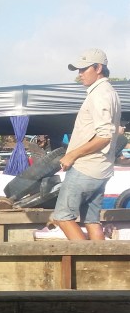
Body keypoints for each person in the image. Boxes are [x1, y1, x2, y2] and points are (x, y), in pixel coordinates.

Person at [52, 48, 121, 240]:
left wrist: (72, 155)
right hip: (101, 168)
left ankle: (84, 258)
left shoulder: (99, 94)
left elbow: (104, 136)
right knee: (91, 220)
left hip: (86, 168)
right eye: (78, 70)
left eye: (84, 69)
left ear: (98, 68)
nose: (80, 74)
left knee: (62, 217)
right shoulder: (110, 92)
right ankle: (99, 259)